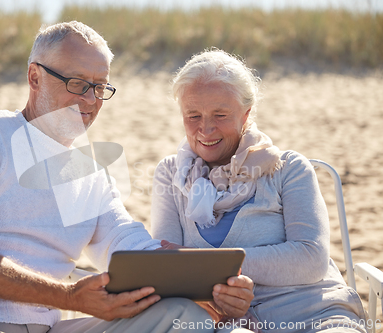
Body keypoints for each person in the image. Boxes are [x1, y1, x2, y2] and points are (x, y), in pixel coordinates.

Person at [0, 22, 254, 333]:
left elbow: (124, 243)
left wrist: (204, 281)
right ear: (35, 76)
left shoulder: (88, 170)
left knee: (184, 318)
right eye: (77, 83)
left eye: (100, 87)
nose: (91, 100)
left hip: (43, 328)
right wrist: (68, 298)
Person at [151, 49, 368, 333]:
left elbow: (311, 258)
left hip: (313, 313)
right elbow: (167, 268)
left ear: (246, 114)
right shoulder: (170, 174)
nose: (205, 128)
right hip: (225, 323)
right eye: (193, 115)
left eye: (220, 114)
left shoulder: (288, 168)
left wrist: (207, 265)